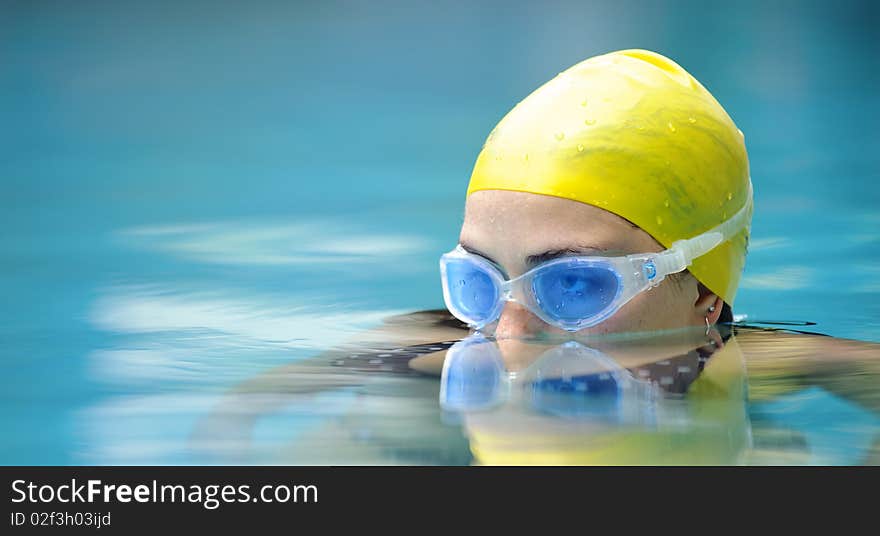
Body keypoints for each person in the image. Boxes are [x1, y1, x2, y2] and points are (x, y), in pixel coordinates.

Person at [439, 48, 751, 339]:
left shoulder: (787, 377)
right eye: (478, 283)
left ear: (704, 294)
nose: (507, 335)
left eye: (572, 284)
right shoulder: (414, 359)